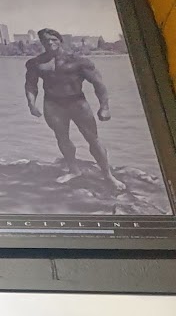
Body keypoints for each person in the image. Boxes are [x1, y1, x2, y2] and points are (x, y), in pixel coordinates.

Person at [25, 28, 127, 194]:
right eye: (45, 40)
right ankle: (74, 170)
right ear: (41, 42)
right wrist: (31, 104)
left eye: (53, 39)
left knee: (93, 139)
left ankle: (108, 175)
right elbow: (30, 85)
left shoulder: (78, 61)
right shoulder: (36, 63)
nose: (50, 43)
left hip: (77, 102)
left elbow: (98, 83)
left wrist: (105, 107)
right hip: (53, 104)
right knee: (62, 137)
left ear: (60, 40)